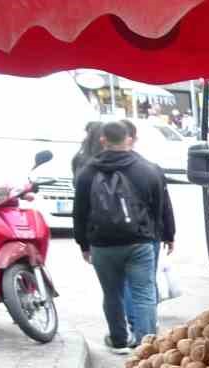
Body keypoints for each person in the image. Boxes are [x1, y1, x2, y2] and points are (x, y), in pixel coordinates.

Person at [73, 120, 176, 352]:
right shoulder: (147, 168)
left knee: (112, 293)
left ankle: (119, 340)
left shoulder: (87, 172)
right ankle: (146, 345)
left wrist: (83, 244)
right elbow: (162, 205)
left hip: (102, 245)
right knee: (143, 293)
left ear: (103, 140)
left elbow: (79, 211)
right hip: (139, 242)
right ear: (128, 139)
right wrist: (167, 234)